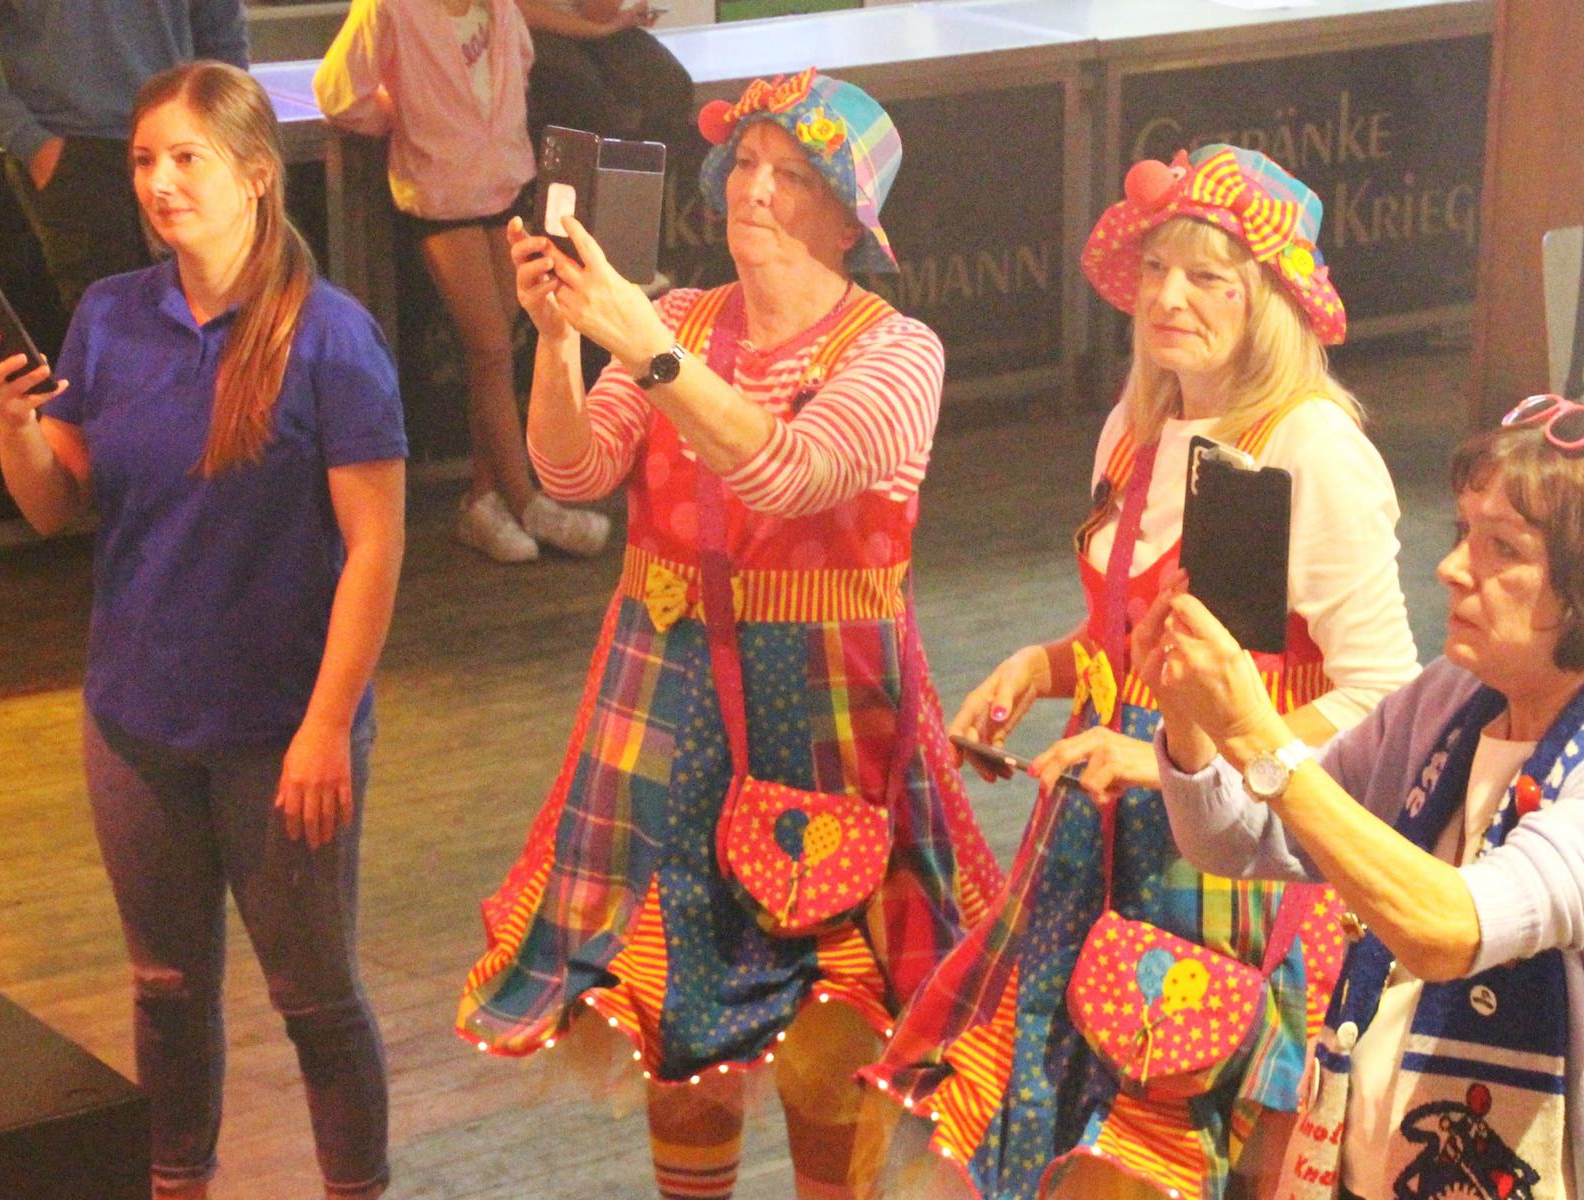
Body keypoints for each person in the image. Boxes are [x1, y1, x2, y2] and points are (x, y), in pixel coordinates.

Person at [455, 68, 1002, 1200]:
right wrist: (555, 339)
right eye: (745, 163)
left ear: (849, 220)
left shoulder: (896, 351)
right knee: (675, 1009)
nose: (754, 188)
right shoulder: (680, 317)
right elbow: (573, 471)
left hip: (830, 718)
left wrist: (645, 348)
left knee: (831, 1017)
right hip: (666, 690)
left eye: (791, 175)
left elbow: (790, 472)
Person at [863, 145, 1420, 1200]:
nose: (1169, 297)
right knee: (1072, 1142)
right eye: (1157, 269)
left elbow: (1385, 699)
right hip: (1107, 855)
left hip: (1247, 870)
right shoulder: (1135, 427)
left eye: (1208, 277)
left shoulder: (1313, 448)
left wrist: (1178, 762)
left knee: (1200, 1156)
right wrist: (1043, 666)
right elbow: (1132, 643)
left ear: (1270, 301)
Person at [0, 62, 405, 1200]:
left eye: (185, 159)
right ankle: (177, 1184)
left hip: (281, 735)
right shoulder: (111, 316)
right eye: (143, 161)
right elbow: (55, 504)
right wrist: (17, 425)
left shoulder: (334, 337)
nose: (159, 183)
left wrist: (327, 728)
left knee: (315, 1002)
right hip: (136, 724)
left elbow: (375, 548)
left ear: (257, 175)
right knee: (164, 991)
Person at [1149, 399, 1584, 1200]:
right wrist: (1189, 719)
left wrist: (1260, 736)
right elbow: (1238, 837)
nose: (1452, 567)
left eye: (1503, 547)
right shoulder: (1456, 696)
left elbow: (1450, 929)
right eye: (1464, 531)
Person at [315, 0, 612, 563]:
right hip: (441, 193)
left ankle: (482, 498)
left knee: (491, 356)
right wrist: (400, 114)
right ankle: (525, 500)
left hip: (501, 183)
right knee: (491, 347)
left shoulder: (498, 7)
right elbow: (337, 93)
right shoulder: (388, 8)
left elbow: (521, 61)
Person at [0, 0, 247, 312]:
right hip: (74, 154)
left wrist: (218, 132)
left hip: (180, 141)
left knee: (204, 311)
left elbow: (222, 36)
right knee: (106, 320)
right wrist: (33, 145)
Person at [517, 0, 694, 152]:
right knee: (580, 89)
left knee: (671, 82)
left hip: (590, 27)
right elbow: (519, 11)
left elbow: (596, 15)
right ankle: (581, 177)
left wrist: (614, 19)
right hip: (530, 29)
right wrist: (600, 29)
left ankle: (645, 175)